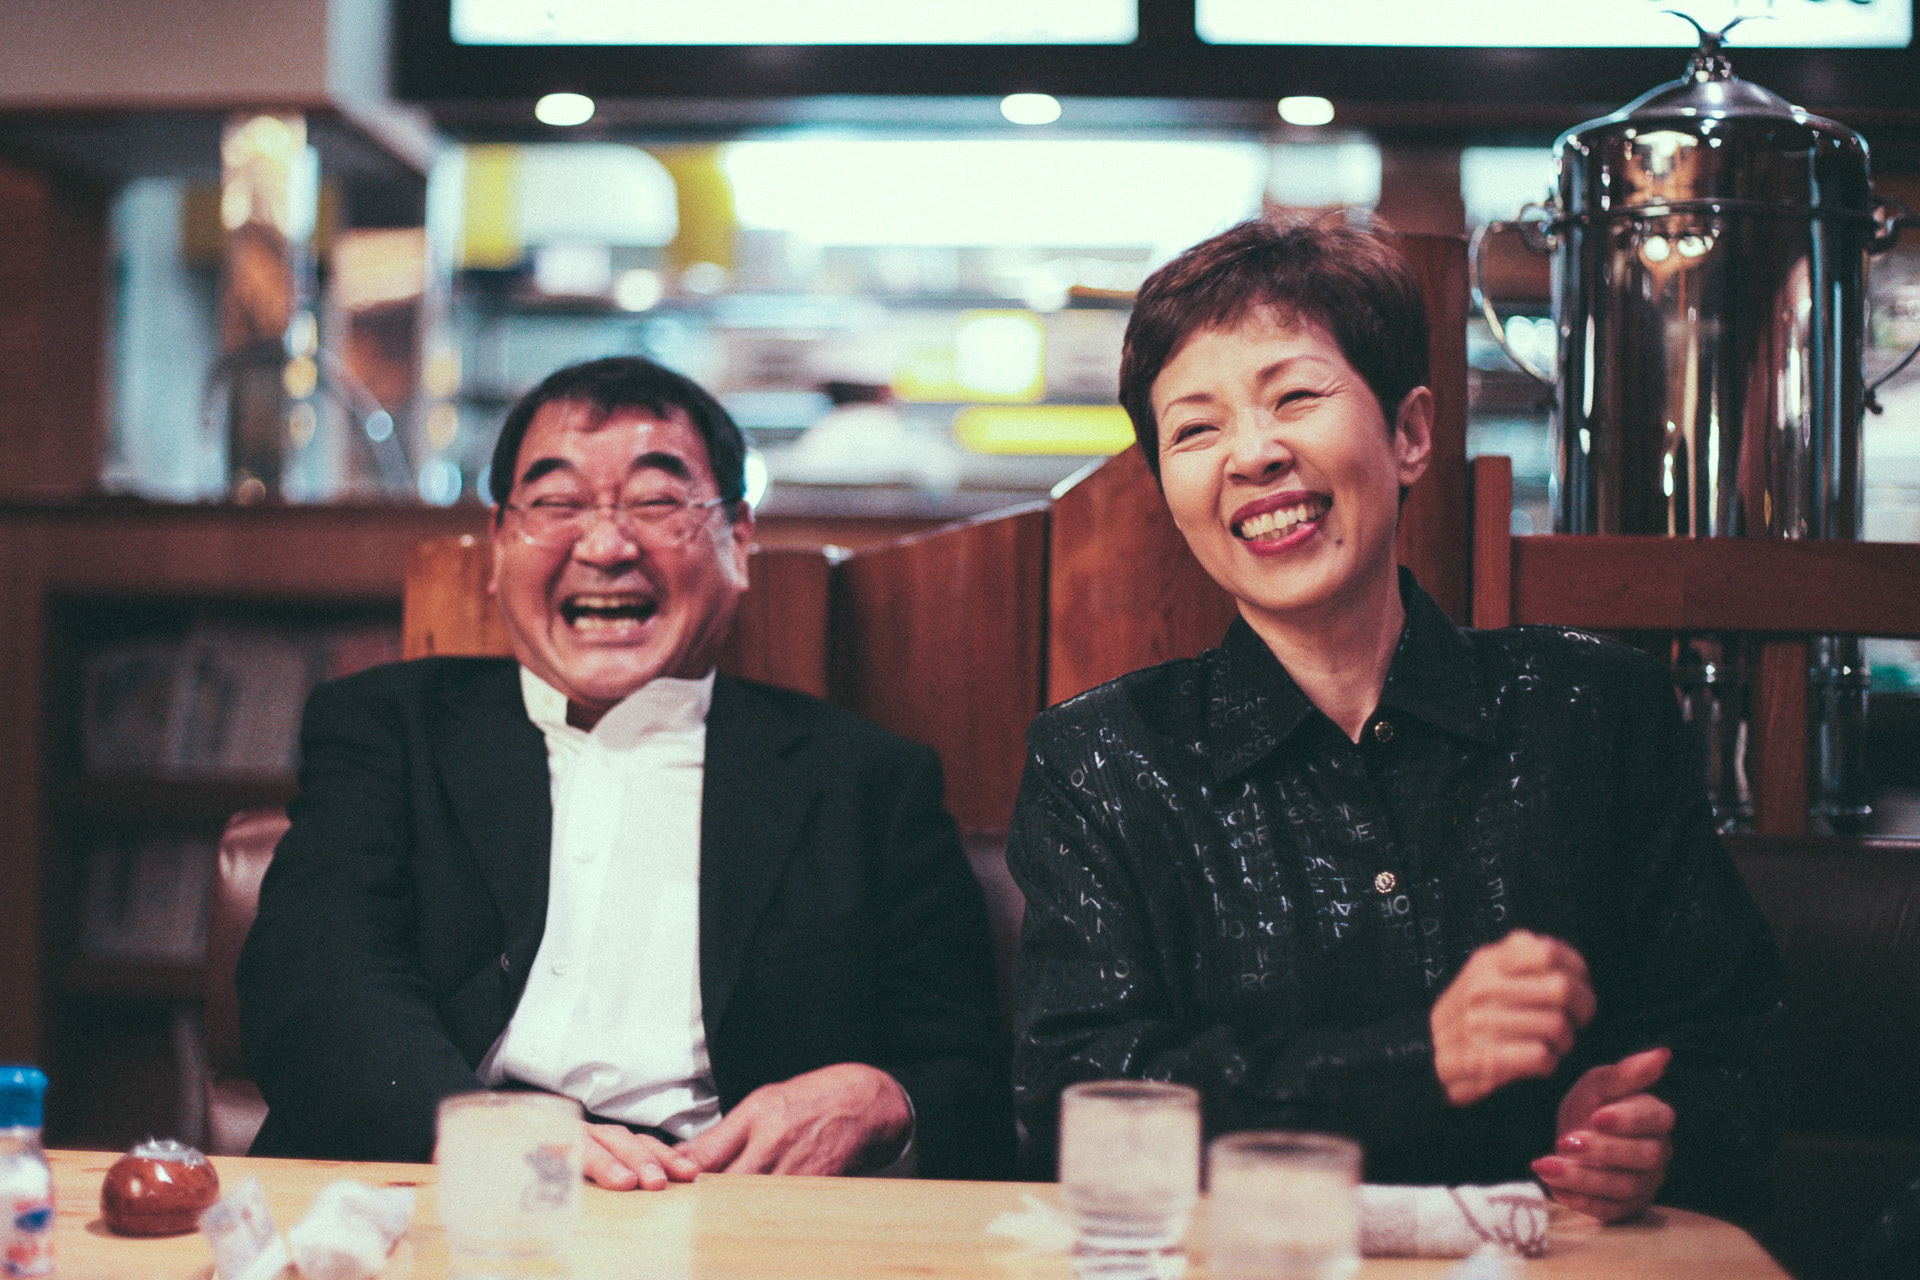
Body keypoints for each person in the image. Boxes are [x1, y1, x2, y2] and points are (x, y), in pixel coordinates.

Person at [1006, 217, 1786, 1224]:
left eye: (1295, 397)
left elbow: (1738, 1043)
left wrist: (1653, 1131)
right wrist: (1420, 1060)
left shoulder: (1594, 712)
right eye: (1195, 429)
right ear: (1168, 489)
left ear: (1410, 434)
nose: (1254, 453)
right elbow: (1073, 1102)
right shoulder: (1101, 761)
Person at [239, 356, 1013, 1187]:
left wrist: (886, 1100)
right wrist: (481, 1132)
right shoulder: (388, 728)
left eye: (656, 502)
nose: (606, 546)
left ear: (737, 540)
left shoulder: (867, 781)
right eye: (557, 503)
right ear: (499, 544)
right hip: (439, 1189)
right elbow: (314, 986)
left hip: (723, 1210)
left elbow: (971, 1077)